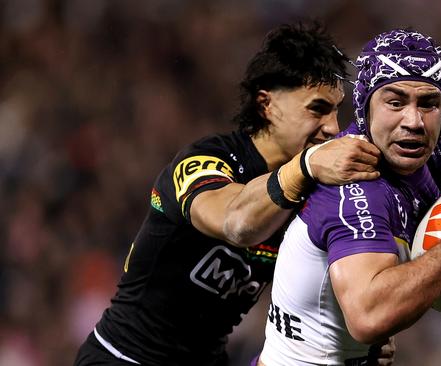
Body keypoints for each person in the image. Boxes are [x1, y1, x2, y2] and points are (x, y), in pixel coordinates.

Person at [73, 22, 385, 366]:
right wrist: (306, 167)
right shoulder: (205, 161)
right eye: (317, 109)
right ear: (267, 104)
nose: (332, 127)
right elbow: (238, 222)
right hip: (123, 357)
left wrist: (360, 343)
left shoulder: (313, 193)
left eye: (336, 110)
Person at [258, 29, 441, 365]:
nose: (414, 121)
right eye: (395, 102)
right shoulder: (351, 183)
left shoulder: (439, 163)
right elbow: (368, 318)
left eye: (429, 103)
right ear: (364, 107)